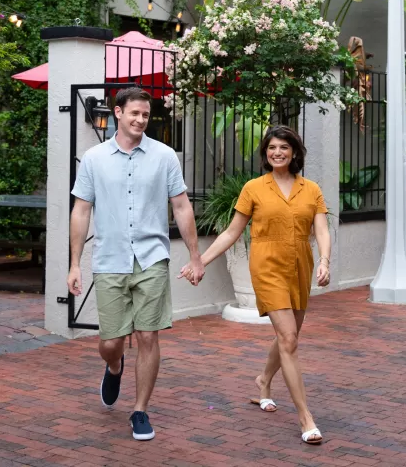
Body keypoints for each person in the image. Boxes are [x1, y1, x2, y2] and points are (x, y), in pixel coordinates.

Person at [180, 125, 331, 445]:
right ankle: (305, 416)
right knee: (288, 337)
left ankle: (264, 380)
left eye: (284, 148)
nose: (277, 152)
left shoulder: (311, 189)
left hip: (300, 268)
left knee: (288, 336)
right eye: (272, 148)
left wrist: (325, 260)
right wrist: (200, 261)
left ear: (294, 152)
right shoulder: (254, 188)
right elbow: (232, 232)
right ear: (265, 153)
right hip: (267, 269)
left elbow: (321, 228)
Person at [68, 87, 204, 442]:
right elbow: (81, 211)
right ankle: (114, 365)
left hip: (152, 258)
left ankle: (140, 409)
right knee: (111, 341)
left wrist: (195, 255)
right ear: (118, 113)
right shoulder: (95, 158)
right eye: (135, 114)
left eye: (146, 115)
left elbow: (181, 206)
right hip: (110, 260)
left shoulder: (164, 157)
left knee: (147, 334)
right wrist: (74, 264)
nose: (141, 120)